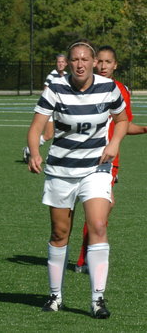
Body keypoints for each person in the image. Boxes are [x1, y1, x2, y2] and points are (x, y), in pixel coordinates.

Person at [27, 40, 128, 319]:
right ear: (68, 63)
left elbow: (122, 120)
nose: (80, 64)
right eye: (75, 59)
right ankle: (55, 296)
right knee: (60, 233)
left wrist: (114, 144)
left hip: (96, 168)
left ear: (93, 62)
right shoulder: (55, 89)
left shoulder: (108, 88)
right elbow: (36, 128)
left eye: (85, 59)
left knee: (98, 224)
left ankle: (98, 299)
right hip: (61, 170)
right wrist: (34, 152)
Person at [74, 45, 147, 273]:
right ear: (94, 62)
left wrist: (144, 128)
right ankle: (81, 257)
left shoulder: (121, 90)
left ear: (115, 65)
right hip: (79, 154)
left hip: (107, 159)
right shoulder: (84, 85)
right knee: (71, 213)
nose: (103, 66)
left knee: (102, 208)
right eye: (100, 61)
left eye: (108, 62)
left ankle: (84, 259)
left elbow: (124, 125)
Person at [23, 54, 67, 163]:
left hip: (60, 110)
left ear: (66, 63)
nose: (60, 64)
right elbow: (46, 91)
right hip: (51, 110)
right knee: (49, 134)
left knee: (55, 134)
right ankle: (30, 150)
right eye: (59, 62)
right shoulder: (52, 75)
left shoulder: (66, 75)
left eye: (62, 62)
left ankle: (30, 150)